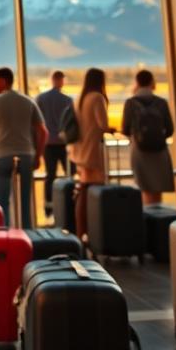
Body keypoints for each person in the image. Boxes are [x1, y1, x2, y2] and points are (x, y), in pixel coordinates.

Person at [0, 67, 47, 226]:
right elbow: (43, 132)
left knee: (1, 202)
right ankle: (27, 236)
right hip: (25, 155)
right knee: (25, 202)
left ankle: (5, 237)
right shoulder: (28, 101)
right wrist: (38, 156)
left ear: (3, 81)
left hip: (2, 156)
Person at [68, 67, 115, 243]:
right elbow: (102, 124)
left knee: (83, 190)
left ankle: (81, 233)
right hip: (92, 151)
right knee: (91, 191)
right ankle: (92, 232)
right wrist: (112, 129)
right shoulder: (97, 98)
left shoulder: (79, 98)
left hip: (78, 151)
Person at [120, 70, 175, 206]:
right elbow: (170, 129)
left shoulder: (131, 103)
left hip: (139, 150)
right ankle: (158, 219)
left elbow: (125, 129)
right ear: (152, 82)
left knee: (145, 188)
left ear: (137, 83)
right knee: (157, 188)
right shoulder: (161, 102)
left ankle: (149, 221)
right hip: (159, 151)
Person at [36, 70, 74, 217]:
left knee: (50, 175)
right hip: (63, 142)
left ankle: (48, 207)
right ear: (61, 81)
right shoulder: (67, 100)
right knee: (69, 174)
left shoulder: (41, 98)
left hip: (48, 143)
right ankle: (68, 204)